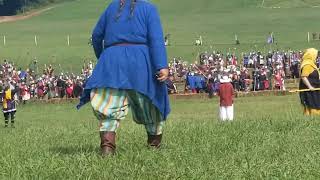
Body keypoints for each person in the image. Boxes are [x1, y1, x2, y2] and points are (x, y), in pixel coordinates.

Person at [77, 0, 170, 156]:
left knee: (108, 105)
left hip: (112, 61)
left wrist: (105, 57)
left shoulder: (111, 7)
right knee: (149, 103)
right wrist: (161, 65)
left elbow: (96, 35)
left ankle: (107, 149)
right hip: (140, 63)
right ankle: (154, 147)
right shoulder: (148, 9)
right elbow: (156, 39)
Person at [299, 48, 320, 115]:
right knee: (312, 105)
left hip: (315, 88)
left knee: (316, 103)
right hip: (309, 90)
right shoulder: (307, 64)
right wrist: (310, 87)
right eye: (315, 55)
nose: (316, 57)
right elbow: (304, 77)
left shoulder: (312, 63)